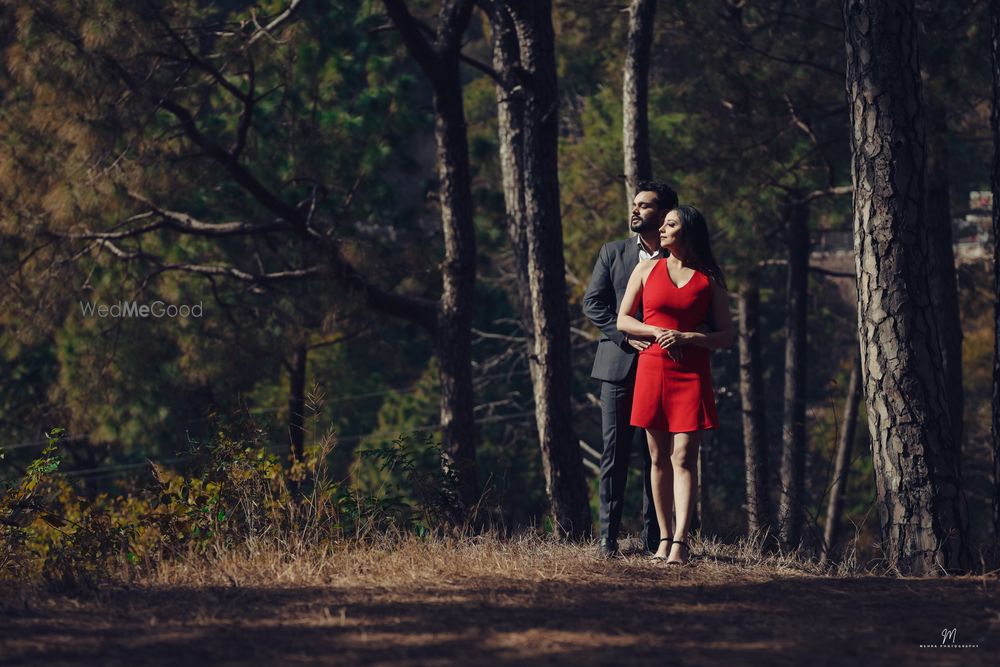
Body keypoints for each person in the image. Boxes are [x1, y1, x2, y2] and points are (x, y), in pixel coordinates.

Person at [616, 205, 733, 564]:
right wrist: (655, 331)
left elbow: (726, 336)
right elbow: (623, 320)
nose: (661, 230)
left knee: (684, 456)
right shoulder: (646, 268)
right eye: (663, 224)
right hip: (653, 367)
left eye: (670, 225)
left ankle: (681, 542)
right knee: (657, 457)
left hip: (692, 371)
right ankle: (663, 538)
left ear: (688, 232)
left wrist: (688, 337)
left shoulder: (709, 277)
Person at [583, 180, 678, 557]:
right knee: (614, 453)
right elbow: (594, 304)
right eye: (633, 204)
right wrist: (625, 337)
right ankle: (607, 538)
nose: (634, 210)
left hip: (663, 367)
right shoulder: (613, 253)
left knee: (657, 454)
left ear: (665, 212)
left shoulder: (679, 257)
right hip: (617, 366)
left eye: (644, 205)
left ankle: (655, 538)